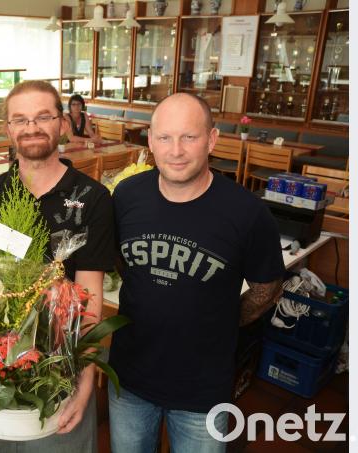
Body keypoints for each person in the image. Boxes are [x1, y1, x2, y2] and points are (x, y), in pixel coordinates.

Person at [109, 93, 285, 453]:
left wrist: (223, 321)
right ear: (150, 142)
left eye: (189, 137)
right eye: (164, 138)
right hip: (129, 379)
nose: (176, 150)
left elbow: (267, 287)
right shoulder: (126, 195)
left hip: (203, 389)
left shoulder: (247, 212)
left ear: (212, 140)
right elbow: (120, 259)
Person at [0, 80, 116, 453]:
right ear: (9, 129)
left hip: (61, 367)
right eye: (20, 119)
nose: (32, 127)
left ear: (62, 124)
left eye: (43, 116)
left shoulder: (92, 199)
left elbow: (90, 291)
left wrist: (85, 379)